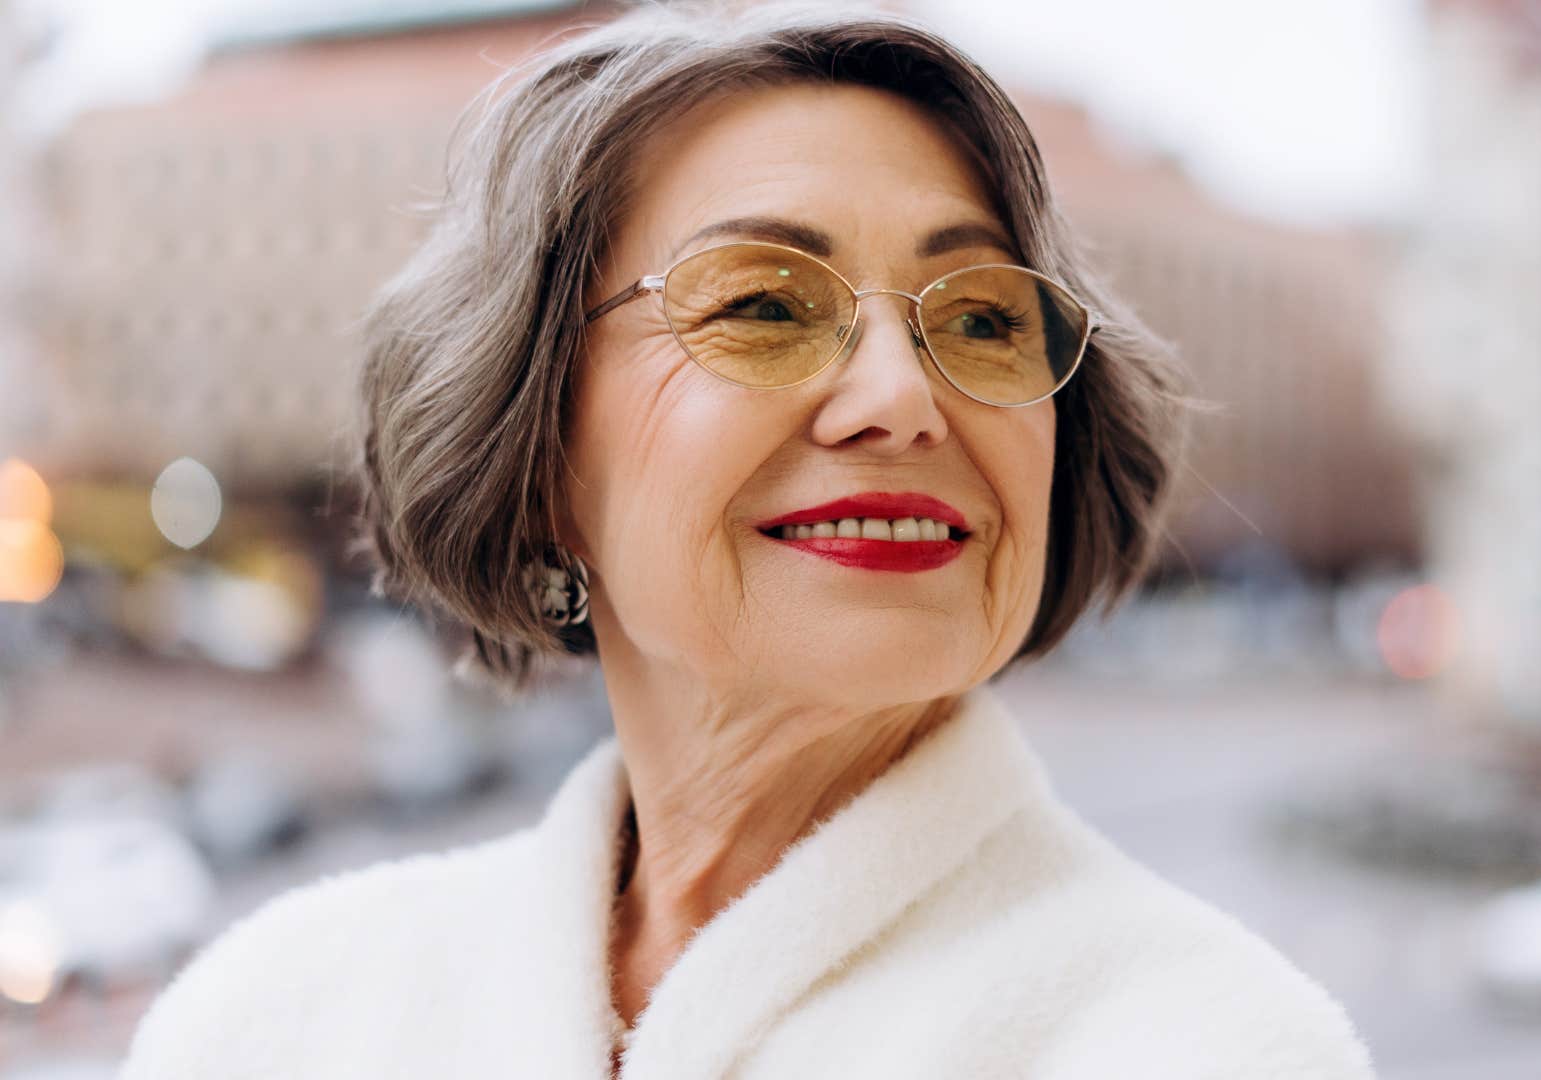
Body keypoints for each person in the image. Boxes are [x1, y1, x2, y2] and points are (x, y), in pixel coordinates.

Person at [120, 3, 1373, 1077]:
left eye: (983, 321)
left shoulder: (1206, 1044)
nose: (903, 397)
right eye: (767, 305)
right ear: (538, 449)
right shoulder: (278, 1020)